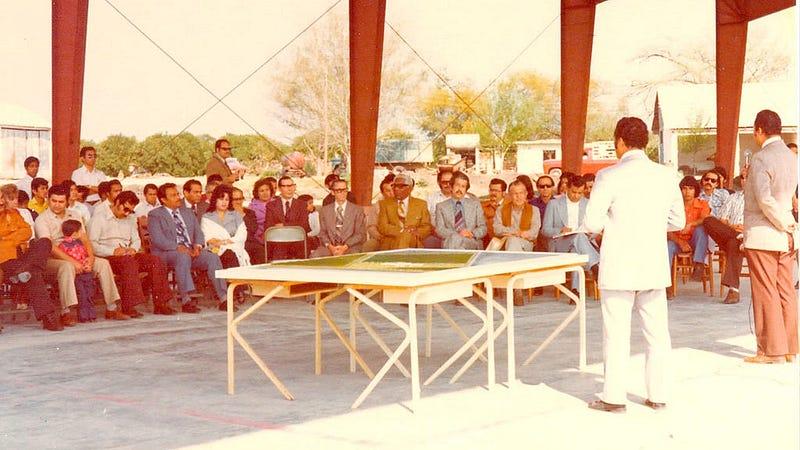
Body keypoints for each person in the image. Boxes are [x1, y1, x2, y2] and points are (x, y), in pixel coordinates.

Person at [583, 116, 685, 413]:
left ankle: (614, 397)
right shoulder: (667, 176)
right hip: (653, 264)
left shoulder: (608, 176)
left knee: (616, 334)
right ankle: (658, 394)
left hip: (618, 266)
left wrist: (614, 226)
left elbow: (591, 221)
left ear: (619, 141)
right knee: (657, 333)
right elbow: (678, 220)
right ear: (647, 142)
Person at [742, 109, 798, 364]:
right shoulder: (791, 156)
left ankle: (770, 350)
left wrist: (784, 224)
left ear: (759, 130)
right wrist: (789, 227)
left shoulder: (761, 158)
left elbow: (765, 199)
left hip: (765, 232)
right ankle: (790, 347)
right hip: (787, 234)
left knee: (765, 291)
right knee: (786, 289)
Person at [35, 185, 127, 324]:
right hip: (53, 258)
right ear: (48, 200)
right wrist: (74, 261)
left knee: (102, 264)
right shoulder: (42, 219)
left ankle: (112, 308)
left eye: (61, 201)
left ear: (67, 201)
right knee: (67, 267)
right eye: (54, 201)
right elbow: (50, 247)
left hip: (79, 254)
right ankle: (66, 312)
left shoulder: (75, 215)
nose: (57, 205)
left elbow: (84, 239)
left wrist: (90, 258)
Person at [89, 190, 175, 316]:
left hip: (128, 254)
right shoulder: (99, 219)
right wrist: (113, 251)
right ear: (118, 202)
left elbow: (136, 240)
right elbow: (92, 245)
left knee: (155, 261)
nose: (127, 213)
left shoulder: (130, 218)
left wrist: (133, 249)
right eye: (125, 209)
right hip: (108, 256)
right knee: (128, 263)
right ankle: (129, 306)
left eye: (130, 211)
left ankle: (161, 303)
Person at [148, 183, 228, 313]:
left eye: (177, 194)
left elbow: (198, 233)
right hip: (167, 253)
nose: (178, 197)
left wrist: (198, 245)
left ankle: (224, 298)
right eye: (173, 195)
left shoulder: (187, 212)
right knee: (183, 256)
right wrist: (177, 247)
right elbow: (158, 239)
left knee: (212, 258)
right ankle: (186, 300)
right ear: (163, 200)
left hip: (190, 251)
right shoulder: (155, 215)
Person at [0, 185, 58, 330]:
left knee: (45, 242)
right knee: (34, 275)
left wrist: (9, 238)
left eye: (2, 199)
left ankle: (24, 270)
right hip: (6, 258)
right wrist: (13, 239)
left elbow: (27, 231)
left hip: (23, 255)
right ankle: (48, 317)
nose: (2, 202)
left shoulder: (14, 214)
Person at [541, 175, 600, 293]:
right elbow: (545, 230)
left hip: (583, 244)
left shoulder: (588, 204)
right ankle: (595, 266)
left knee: (576, 250)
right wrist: (560, 230)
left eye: (580, 193)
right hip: (560, 244)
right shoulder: (554, 204)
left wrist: (590, 233)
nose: (576, 196)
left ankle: (575, 291)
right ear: (567, 188)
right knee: (578, 237)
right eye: (574, 192)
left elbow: (595, 228)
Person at [201, 185, 249, 308]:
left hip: (233, 248)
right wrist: (223, 243)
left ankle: (233, 291)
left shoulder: (235, 215)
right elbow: (209, 238)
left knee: (230, 254)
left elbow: (242, 235)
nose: (224, 202)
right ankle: (234, 292)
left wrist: (225, 242)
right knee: (226, 254)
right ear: (215, 199)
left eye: (227, 200)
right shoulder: (207, 217)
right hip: (215, 250)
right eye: (221, 199)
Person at [703, 175, 746, 304]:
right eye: (743, 178)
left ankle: (734, 291)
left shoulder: (760, 199)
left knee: (734, 244)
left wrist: (746, 229)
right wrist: (733, 228)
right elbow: (722, 220)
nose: (745, 181)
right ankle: (738, 237)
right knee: (708, 220)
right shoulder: (733, 198)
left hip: (750, 236)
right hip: (730, 234)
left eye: (748, 177)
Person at [667, 176, 710, 281]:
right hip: (677, 241)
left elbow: (705, 219)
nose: (687, 192)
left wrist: (691, 224)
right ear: (680, 190)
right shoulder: (673, 206)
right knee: (668, 246)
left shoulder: (702, 204)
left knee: (701, 229)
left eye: (691, 189)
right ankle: (666, 283)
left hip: (696, 242)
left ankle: (699, 266)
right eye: (684, 188)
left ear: (695, 190)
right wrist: (680, 242)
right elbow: (667, 228)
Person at [378, 173, 432, 250]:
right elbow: (383, 226)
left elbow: (427, 227)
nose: (396, 189)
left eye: (401, 186)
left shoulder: (421, 204)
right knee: (405, 235)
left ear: (410, 188)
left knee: (407, 236)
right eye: (394, 186)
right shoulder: (384, 204)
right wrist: (402, 231)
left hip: (414, 240)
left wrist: (416, 232)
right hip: (392, 241)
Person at [312, 179, 366, 256]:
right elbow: (323, 233)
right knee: (315, 256)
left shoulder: (357, 210)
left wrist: (344, 247)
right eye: (339, 190)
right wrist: (331, 247)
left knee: (352, 256)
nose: (343, 193)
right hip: (330, 247)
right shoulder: (324, 210)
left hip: (350, 247)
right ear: (332, 192)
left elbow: (360, 234)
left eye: (345, 190)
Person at [434, 171, 486, 250]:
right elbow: (439, 230)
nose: (459, 189)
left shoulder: (475, 205)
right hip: (451, 240)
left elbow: (483, 227)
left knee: (456, 241)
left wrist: (472, 233)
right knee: (455, 239)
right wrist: (457, 234)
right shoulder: (441, 206)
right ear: (451, 186)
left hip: (471, 241)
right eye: (457, 185)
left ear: (466, 189)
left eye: (463, 186)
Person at [263, 176, 311, 260]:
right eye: (285, 186)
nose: (289, 189)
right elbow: (268, 226)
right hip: (278, 243)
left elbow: (305, 225)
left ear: (294, 187)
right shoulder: (271, 205)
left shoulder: (302, 204)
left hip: (298, 243)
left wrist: (283, 225)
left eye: (291, 186)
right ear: (279, 188)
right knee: (278, 252)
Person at [58, 219, 96, 322]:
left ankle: (91, 314)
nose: (82, 233)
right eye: (80, 231)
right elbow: (67, 259)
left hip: (85, 271)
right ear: (75, 234)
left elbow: (85, 255)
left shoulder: (80, 243)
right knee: (82, 294)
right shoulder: (63, 246)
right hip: (77, 274)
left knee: (89, 293)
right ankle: (83, 315)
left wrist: (87, 263)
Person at [491, 180, 540, 252]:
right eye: (515, 194)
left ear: (526, 194)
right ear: (510, 195)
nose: (518, 196)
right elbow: (497, 229)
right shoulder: (501, 209)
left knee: (513, 241)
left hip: (526, 243)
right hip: (505, 243)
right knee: (512, 240)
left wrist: (513, 234)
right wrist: (515, 232)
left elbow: (534, 232)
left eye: (521, 193)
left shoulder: (534, 210)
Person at [231, 187, 265, 265]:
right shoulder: (227, 213)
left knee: (259, 249)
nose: (239, 202)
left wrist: (242, 215)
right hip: (234, 241)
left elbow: (253, 229)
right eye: (235, 199)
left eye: (241, 199)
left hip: (249, 240)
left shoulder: (250, 212)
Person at [363, 174, 395, 252]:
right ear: (382, 192)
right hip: (381, 238)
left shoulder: (404, 203)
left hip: (401, 238)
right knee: (368, 246)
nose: (392, 193)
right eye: (388, 191)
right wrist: (379, 236)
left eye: (393, 190)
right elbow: (371, 226)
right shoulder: (377, 206)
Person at [248, 178, 274, 250]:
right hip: (259, 239)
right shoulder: (251, 207)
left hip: (277, 235)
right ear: (257, 193)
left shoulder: (278, 203)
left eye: (267, 190)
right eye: (262, 191)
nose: (265, 193)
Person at [481, 178, 507, 248]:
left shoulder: (510, 206)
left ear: (503, 193)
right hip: (487, 241)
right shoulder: (482, 206)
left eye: (496, 191)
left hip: (505, 241)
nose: (493, 193)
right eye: (491, 190)